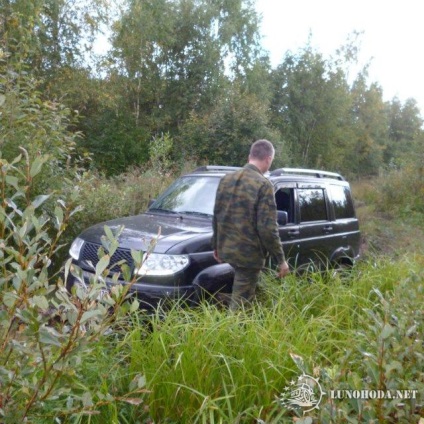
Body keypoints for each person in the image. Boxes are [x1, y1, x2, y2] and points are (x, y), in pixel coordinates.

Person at [212, 139, 290, 310]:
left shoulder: (226, 179)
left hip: (227, 249)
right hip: (248, 255)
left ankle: (230, 301)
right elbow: (267, 228)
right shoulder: (263, 185)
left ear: (250, 156)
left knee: (246, 287)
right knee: (240, 306)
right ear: (268, 159)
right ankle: (232, 331)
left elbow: (217, 214)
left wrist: (216, 245)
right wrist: (281, 260)